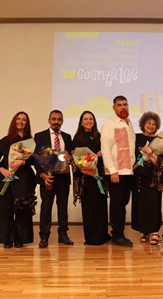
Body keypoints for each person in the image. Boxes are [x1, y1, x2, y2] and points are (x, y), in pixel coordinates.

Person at [0, 111, 36, 248]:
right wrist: (2, 169)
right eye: (18, 119)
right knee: (5, 207)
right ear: (14, 121)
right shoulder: (6, 140)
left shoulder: (31, 142)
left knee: (22, 208)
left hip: (24, 178)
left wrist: (23, 162)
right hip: (4, 177)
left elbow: (36, 160)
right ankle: (6, 238)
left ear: (27, 123)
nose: (21, 122)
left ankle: (20, 238)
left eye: (24, 120)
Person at [34, 110, 73, 248]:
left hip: (63, 178)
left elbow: (71, 157)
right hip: (47, 178)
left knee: (62, 208)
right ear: (49, 120)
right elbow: (35, 159)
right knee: (46, 207)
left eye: (59, 119)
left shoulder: (67, 138)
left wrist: (70, 158)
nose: (56, 122)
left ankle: (63, 234)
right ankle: (44, 236)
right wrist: (42, 175)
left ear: (62, 121)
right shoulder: (39, 136)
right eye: (54, 119)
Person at [101, 95, 136, 247]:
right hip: (117, 172)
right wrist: (113, 171)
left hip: (129, 171)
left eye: (125, 104)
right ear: (114, 107)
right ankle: (117, 234)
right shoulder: (110, 123)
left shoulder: (128, 122)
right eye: (120, 105)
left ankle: (118, 232)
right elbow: (105, 149)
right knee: (117, 204)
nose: (123, 107)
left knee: (123, 202)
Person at [72, 111, 111, 245]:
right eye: (85, 119)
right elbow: (75, 159)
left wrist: (102, 154)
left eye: (91, 119)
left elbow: (106, 154)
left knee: (101, 207)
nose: (88, 121)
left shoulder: (100, 136)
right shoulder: (77, 138)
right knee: (89, 208)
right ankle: (92, 238)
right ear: (81, 122)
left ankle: (102, 235)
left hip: (99, 177)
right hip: (86, 178)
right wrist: (86, 168)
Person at [132, 112, 163, 245]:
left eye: (154, 124)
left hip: (153, 177)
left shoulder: (159, 140)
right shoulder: (135, 138)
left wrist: (150, 153)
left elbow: (160, 161)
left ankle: (155, 231)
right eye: (149, 123)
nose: (151, 126)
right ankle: (145, 231)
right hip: (139, 177)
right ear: (143, 124)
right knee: (141, 204)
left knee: (154, 203)